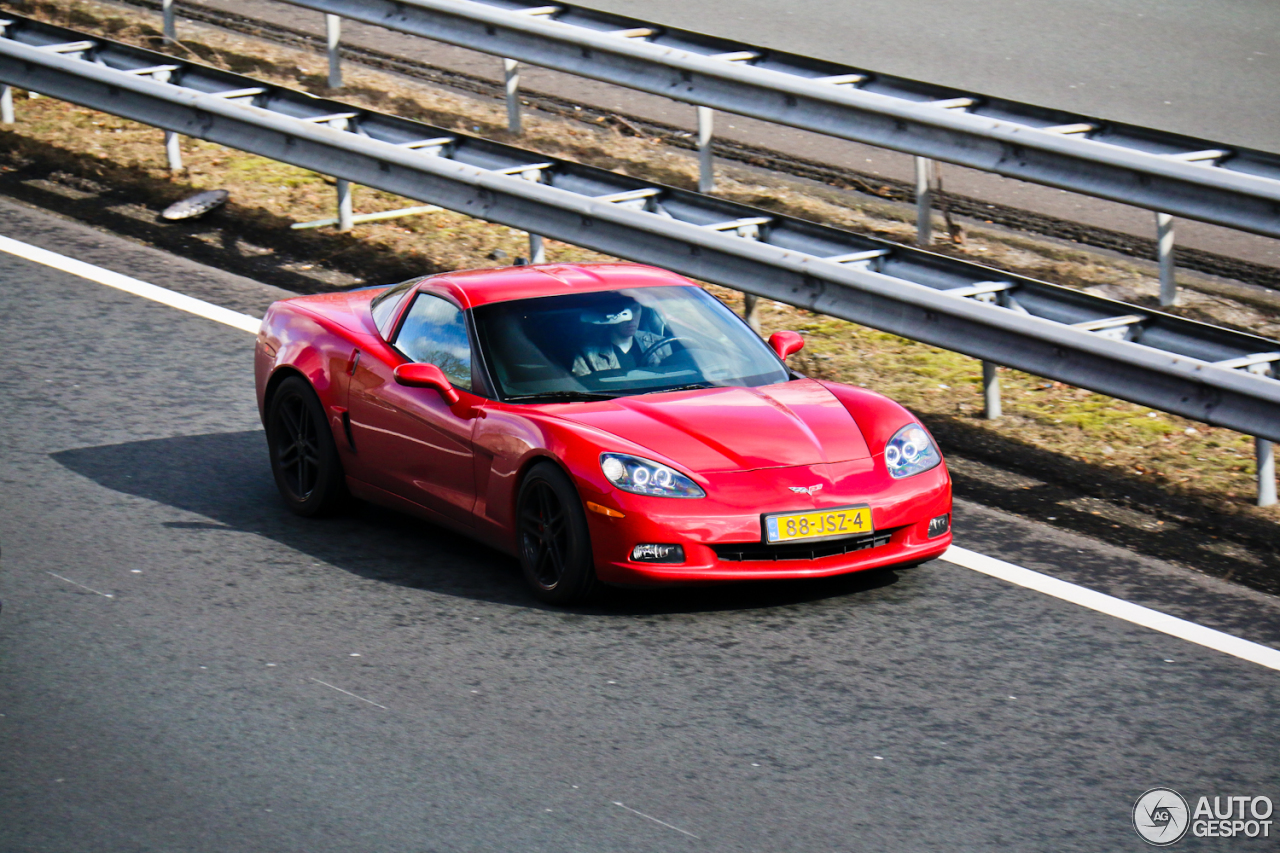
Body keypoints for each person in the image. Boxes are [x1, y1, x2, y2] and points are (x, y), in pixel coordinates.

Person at [571, 297, 669, 376]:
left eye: (635, 310)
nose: (631, 319)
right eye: (624, 313)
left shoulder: (660, 344)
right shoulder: (587, 353)